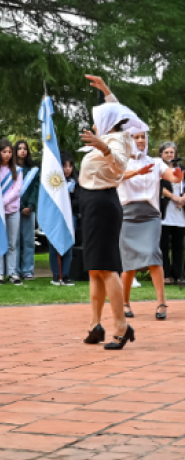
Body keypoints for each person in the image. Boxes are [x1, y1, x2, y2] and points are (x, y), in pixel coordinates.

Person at [78, 75, 163, 350]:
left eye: (97, 117)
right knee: (94, 269)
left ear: (105, 123)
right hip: (92, 203)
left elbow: (117, 165)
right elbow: (121, 113)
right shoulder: (115, 134)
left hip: (102, 204)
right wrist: (106, 91)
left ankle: (121, 327)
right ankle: (95, 325)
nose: (93, 123)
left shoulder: (116, 141)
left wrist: (101, 146)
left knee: (106, 268)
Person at [118, 130, 183, 320]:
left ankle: (162, 303)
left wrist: (177, 175)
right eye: (135, 137)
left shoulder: (156, 162)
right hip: (128, 215)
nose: (139, 140)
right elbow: (117, 178)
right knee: (129, 263)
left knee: (154, 255)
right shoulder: (121, 161)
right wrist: (138, 171)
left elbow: (172, 177)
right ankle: (124, 303)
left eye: (142, 137)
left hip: (151, 215)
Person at [0, 139, 23, 284]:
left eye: (9, 152)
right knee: (0, 242)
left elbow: (16, 190)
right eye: (4, 152)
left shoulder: (17, 170)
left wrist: (2, 202)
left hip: (12, 210)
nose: (7, 155)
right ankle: (0, 273)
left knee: (12, 243)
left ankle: (12, 273)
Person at [51, 152, 79, 285]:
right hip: (56, 217)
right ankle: (56, 274)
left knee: (68, 245)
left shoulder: (75, 183)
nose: (67, 169)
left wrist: (68, 206)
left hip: (70, 216)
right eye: (64, 166)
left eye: (70, 166)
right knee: (54, 245)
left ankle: (66, 274)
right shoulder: (54, 183)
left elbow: (78, 200)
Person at [159, 142, 185, 285]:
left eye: (171, 152)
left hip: (180, 213)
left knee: (178, 246)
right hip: (165, 213)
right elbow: (159, 187)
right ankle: (166, 275)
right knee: (163, 245)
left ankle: (178, 275)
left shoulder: (182, 169)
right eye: (166, 152)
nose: (169, 155)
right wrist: (174, 197)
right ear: (161, 155)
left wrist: (183, 199)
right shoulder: (159, 170)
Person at [14, 139, 40, 279]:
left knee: (29, 241)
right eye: (19, 148)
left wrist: (29, 206)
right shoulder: (11, 169)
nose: (22, 151)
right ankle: (16, 270)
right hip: (14, 209)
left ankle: (28, 270)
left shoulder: (34, 171)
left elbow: (35, 190)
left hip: (29, 210)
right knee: (16, 241)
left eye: (24, 148)